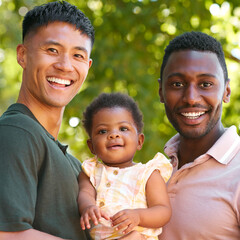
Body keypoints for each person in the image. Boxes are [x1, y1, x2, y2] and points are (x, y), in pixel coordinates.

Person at [0, 1, 95, 239]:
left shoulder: (74, 164)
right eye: (52, 50)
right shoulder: (17, 131)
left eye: (78, 55)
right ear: (22, 55)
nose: (65, 66)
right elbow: (7, 234)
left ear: (88, 66)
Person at [158, 31, 240, 239]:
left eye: (205, 84)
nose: (191, 98)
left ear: (226, 91)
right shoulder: (157, 171)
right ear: (161, 91)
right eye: (177, 84)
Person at [78, 92, 173, 240]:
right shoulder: (91, 171)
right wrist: (88, 207)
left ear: (139, 141)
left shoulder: (148, 174)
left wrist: (138, 216)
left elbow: (163, 211)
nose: (113, 135)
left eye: (123, 129)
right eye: (103, 131)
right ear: (91, 146)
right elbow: (85, 193)